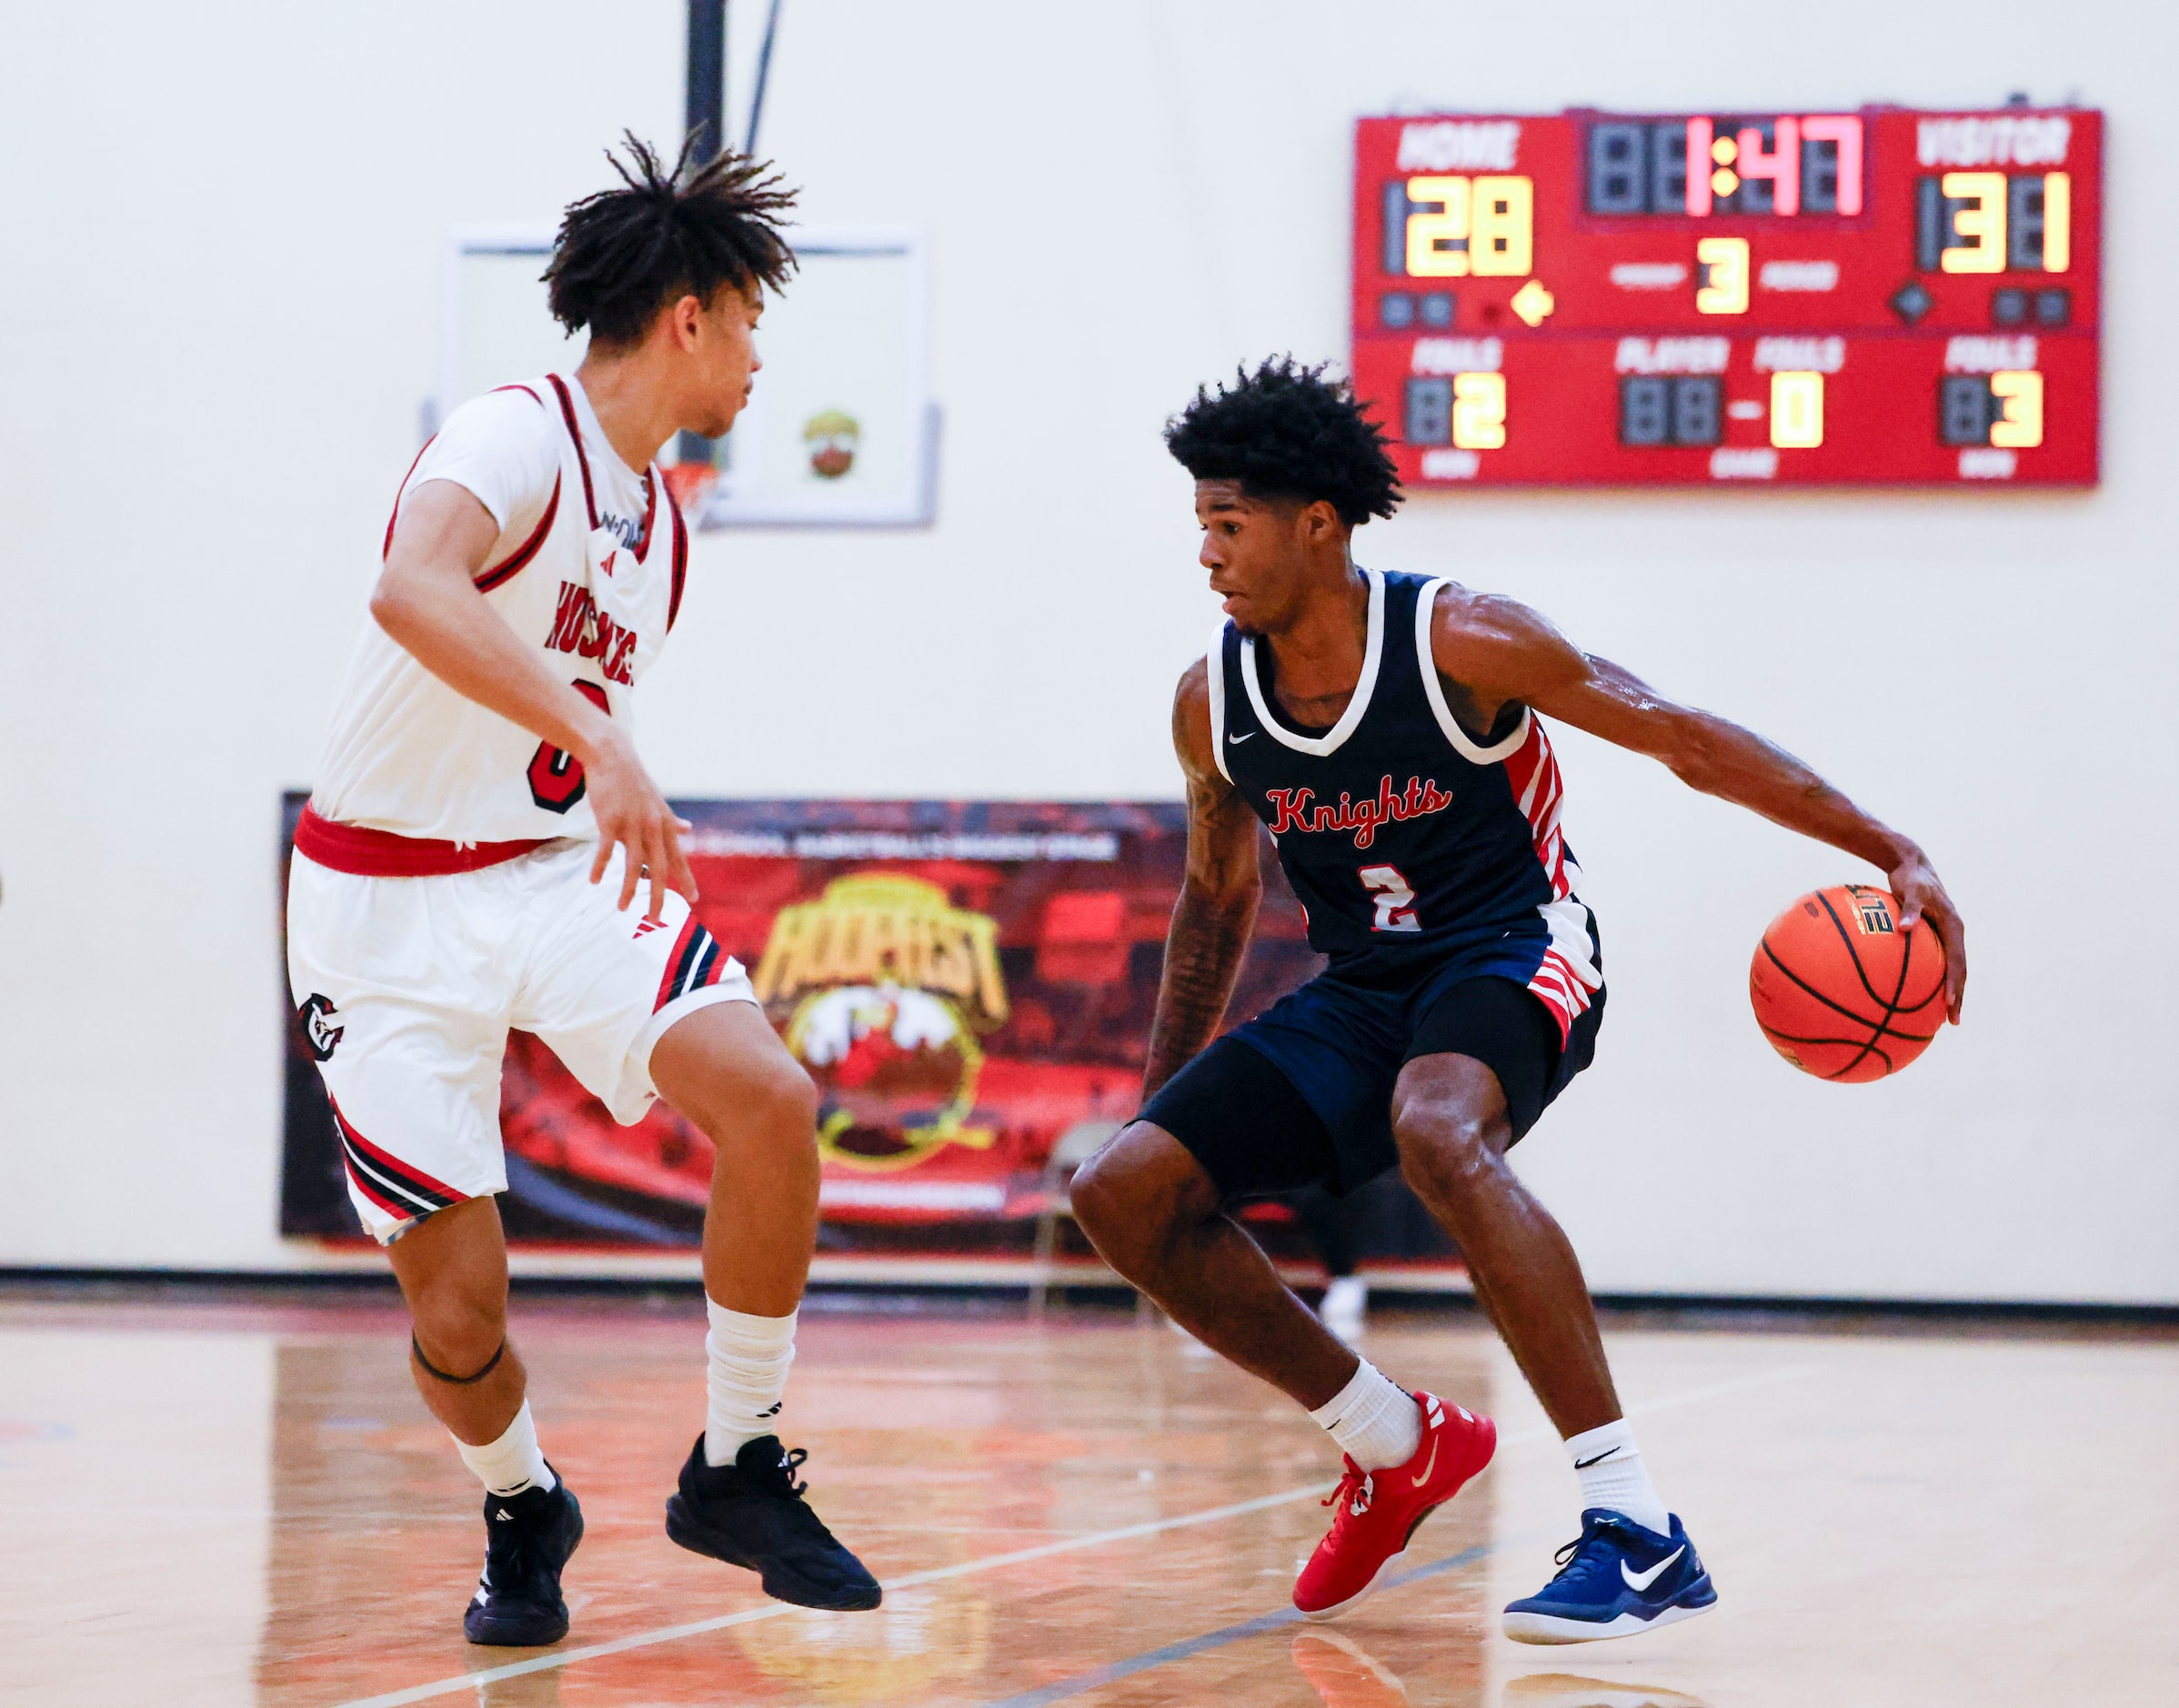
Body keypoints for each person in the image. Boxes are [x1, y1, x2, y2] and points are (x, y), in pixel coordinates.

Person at [1072, 357, 1967, 1643]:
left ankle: (1638, 1528)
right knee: (1121, 1191)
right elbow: (1214, 903)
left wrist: (1889, 848)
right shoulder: (1213, 702)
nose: (1207, 554)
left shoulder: (1465, 640)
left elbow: (1683, 736)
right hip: (1365, 985)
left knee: (1439, 1126)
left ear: (1317, 525)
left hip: (1516, 945)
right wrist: (1164, 1110)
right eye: (1198, 525)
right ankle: (1392, 1439)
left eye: (1229, 523)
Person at [286, 136, 879, 1647]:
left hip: (551, 875)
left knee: (770, 1097)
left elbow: (541, 725)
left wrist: (591, 758)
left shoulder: (663, 525)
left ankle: (737, 1458)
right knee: (459, 1314)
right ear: (690, 316)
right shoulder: (515, 435)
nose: (757, 361)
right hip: (383, 905)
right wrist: (601, 734)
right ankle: (521, 1501)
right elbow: (409, 589)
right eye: (750, 324)